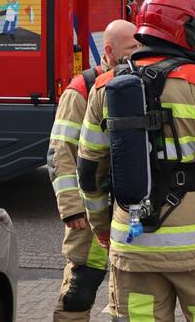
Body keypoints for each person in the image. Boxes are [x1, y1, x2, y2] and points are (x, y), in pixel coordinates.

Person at [77, 0, 195, 321]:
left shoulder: (104, 86)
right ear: (183, 30)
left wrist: (103, 229)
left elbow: (89, 172)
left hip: (132, 247)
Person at [49, 20, 140, 321]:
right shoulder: (81, 90)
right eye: (132, 48)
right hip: (88, 213)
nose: (138, 53)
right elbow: (61, 152)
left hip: (126, 210)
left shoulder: (138, 85)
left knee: (128, 293)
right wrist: (73, 209)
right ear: (110, 51)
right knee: (79, 290)